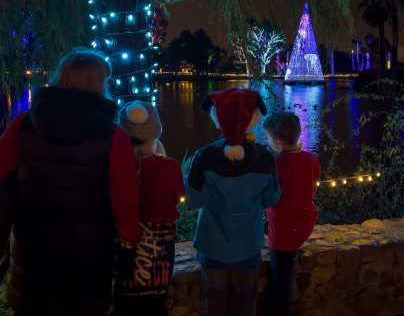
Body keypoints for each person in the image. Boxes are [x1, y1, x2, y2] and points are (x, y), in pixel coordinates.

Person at [0, 48, 141, 316]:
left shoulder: (24, 125)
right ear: (100, 84)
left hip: (33, 256)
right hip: (88, 260)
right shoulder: (114, 137)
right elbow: (125, 199)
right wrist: (129, 245)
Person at [185, 88, 280, 316]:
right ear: (253, 118)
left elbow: (193, 198)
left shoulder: (204, 156)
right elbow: (272, 198)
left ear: (218, 118)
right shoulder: (266, 158)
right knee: (246, 305)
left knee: (215, 306)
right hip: (248, 247)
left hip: (213, 247)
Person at [113, 101, 183, 316]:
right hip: (160, 250)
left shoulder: (117, 169)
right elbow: (178, 196)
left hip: (127, 249)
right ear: (155, 134)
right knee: (156, 303)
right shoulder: (169, 167)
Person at [263, 112, 321, 316]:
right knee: (284, 276)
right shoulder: (310, 159)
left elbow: (268, 195)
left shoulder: (276, 164)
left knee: (280, 281)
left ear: (277, 142)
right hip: (304, 224)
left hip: (282, 232)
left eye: (268, 139)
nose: (267, 142)